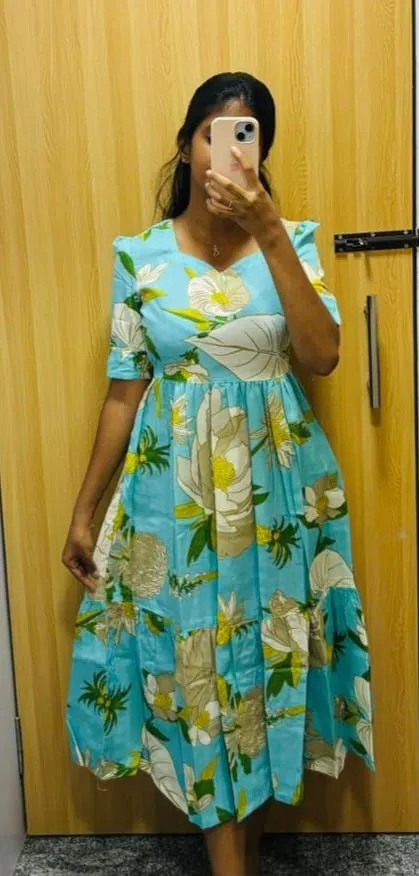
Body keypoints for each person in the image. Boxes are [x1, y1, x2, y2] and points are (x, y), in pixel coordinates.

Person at [62, 72, 374, 876]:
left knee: (269, 660)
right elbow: (122, 392)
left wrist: (268, 228)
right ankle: (229, 862)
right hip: (175, 498)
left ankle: (246, 847)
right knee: (194, 667)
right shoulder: (139, 256)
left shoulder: (292, 241)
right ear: (186, 144)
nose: (224, 150)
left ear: (259, 152)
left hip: (278, 490)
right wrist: (85, 512)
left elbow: (322, 357)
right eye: (211, 132)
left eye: (243, 135)